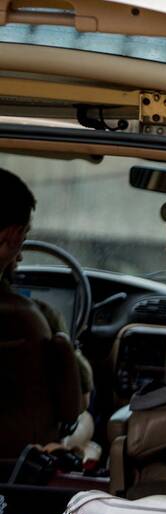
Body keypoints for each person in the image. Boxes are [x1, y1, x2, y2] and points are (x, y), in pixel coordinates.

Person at [0, 168, 96, 455]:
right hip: (23, 460)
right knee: (87, 424)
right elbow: (78, 401)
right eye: (25, 234)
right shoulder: (36, 318)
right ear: (13, 235)